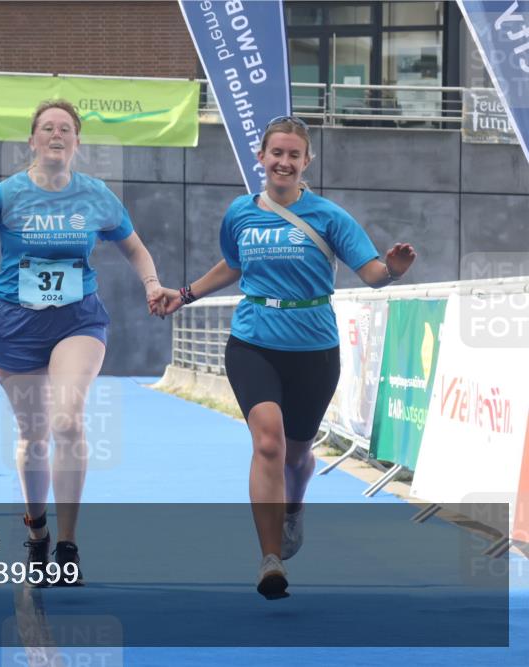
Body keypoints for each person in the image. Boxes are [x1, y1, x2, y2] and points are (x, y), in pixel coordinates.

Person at [0, 100, 166, 586]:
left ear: (77, 142)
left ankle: (68, 544)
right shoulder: (5, 195)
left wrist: (150, 283)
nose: (56, 134)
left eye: (66, 128)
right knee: (33, 433)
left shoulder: (97, 196)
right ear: (32, 141)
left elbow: (133, 245)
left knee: (66, 420)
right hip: (16, 324)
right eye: (47, 128)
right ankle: (37, 529)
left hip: (78, 321)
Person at [158, 115, 416, 600]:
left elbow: (372, 273)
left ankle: (294, 507)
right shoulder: (239, 213)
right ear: (261, 157)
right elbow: (233, 266)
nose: (284, 162)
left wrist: (394, 270)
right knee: (270, 444)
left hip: (314, 348)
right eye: (276, 153)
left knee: (297, 453)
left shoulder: (330, 217)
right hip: (253, 341)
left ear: (306, 162)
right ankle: (270, 559)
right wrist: (185, 293)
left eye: (294, 155)